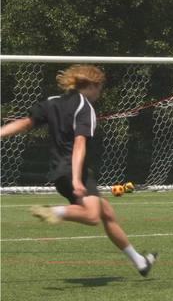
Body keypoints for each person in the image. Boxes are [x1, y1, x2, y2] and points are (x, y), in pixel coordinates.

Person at [0, 64, 157, 277]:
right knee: (93, 216)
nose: (100, 92)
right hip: (75, 171)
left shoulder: (52, 102)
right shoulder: (85, 109)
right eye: (100, 87)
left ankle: (140, 261)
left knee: (106, 212)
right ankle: (54, 211)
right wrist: (76, 179)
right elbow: (79, 145)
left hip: (58, 171)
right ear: (91, 85)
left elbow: (25, 124)